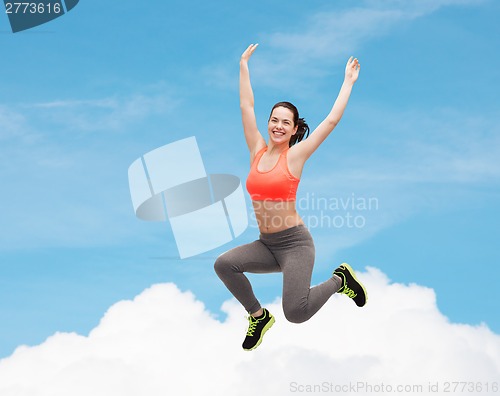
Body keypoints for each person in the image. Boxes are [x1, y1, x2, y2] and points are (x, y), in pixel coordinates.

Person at [214, 43, 367, 351]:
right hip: (266, 244)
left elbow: (331, 122)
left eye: (286, 122)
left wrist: (347, 83)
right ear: (268, 123)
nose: (278, 126)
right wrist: (243, 64)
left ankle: (341, 279)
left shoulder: (295, 157)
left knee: (296, 312)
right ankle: (258, 316)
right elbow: (246, 106)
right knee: (224, 264)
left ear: (295, 129)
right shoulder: (256, 151)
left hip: (295, 245)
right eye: (274, 120)